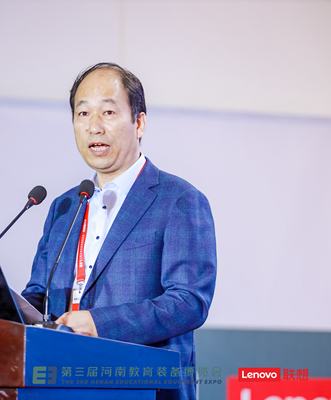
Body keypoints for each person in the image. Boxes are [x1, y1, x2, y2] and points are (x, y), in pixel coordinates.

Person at [22, 62, 217, 400]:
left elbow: (189, 302)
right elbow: (39, 295)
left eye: (108, 112)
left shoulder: (179, 200)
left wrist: (98, 324)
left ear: (139, 122)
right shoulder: (64, 206)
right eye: (83, 114)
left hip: (142, 386)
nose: (94, 127)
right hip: (58, 382)